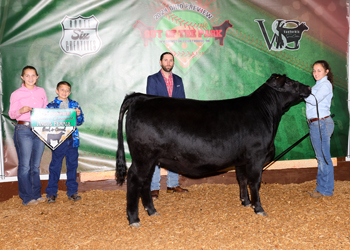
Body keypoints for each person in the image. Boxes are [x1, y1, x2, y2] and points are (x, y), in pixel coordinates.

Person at [146, 52, 189, 200]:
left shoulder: (178, 80)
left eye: (171, 60)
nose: (168, 63)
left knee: (175, 153)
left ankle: (172, 184)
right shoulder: (152, 79)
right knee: (157, 154)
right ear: (160, 62)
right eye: (166, 60)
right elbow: (152, 102)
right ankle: (154, 187)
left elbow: (182, 102)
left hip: (175, 124)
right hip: (158, 124)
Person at [9, 65, 48, 205]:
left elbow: (45, 110)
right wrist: (21, 110)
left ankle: (36, 194)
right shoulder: (16, 94)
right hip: (23, 129)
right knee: (25, 165)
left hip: (39, 129)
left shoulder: (41, 91)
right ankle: (26, 197)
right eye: (27, 75)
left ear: (37, 77)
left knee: (35, 165)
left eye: (33, 75)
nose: (30, 78)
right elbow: (12, 114)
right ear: (22, 77)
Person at [45, 81, 84, 203]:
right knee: (55, 166)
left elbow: (80, 121)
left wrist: (78, 115)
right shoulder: (50, 106)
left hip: (72, 140)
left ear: (70, 92)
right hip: (57, 140)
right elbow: (46, 122)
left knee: (72, 166)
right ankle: (51, 193)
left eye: (67, 90)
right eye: (62, 90)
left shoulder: (74, 104)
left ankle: (72, 192)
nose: (64, 92)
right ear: (57, 91)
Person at [305, 60, 334, 198]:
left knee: (324, 158)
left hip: (322, 123)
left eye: (319, 70)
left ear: (326, 71)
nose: (315, 73)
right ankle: (321, 188)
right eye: (314, 70)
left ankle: (326, 190)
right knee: (320, 157)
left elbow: (314, 100)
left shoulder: (326, 85)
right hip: (315, 124)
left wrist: (302, 92)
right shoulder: (317, 85)